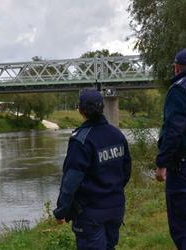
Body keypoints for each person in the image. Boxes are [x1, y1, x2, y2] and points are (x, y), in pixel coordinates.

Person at [53, 88, 131, 250]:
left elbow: (71, 181)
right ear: (102, 107)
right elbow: (126, 170)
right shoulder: (117, 134)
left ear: (80, 110)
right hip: (116, 207)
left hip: (90, 212)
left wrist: (61, 211)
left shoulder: (81, 139)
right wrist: (112, 190)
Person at [156, 48, 186, 249]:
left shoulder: (181, 89)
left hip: (185, 166)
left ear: (176, 68)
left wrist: (162, 164)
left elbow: (174, 130)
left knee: (184, 225)